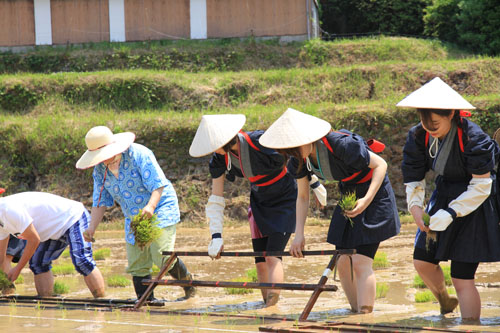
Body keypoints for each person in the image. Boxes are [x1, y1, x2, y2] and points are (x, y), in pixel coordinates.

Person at [260, 108, 401, 313]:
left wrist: (367, 200)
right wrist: (298, 234)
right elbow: (302, 197)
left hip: (373, 192)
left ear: (310, 138)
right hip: (349, 197)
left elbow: (381, 164)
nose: (294, 154)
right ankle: (355, 313)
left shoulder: (342, 145)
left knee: (361, 262)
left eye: (295, 147)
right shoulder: (298, 160)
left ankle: (365, 317)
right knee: (343, 262)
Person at [189, 114, 318, 306]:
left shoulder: (260, 141)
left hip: (285, 198)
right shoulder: (219, 160)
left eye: (212, 144)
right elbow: (216, 198)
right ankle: (266, 304)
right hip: (259, 202)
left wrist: (313, 182)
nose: (211, 150)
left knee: (273, 257)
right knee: (260, 262)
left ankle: (272, 308)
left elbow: (295, 154)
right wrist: (216, 235)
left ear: (223, 140)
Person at [399, 77, 500, 321]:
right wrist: (415, 207)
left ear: (452, 114)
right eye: (424, 122)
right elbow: (414, 177)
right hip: (444, 195)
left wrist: (453, 212)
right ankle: (444, 300)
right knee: (422, 262)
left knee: (462, 277)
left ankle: (470, 325)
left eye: (435, 122)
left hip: (476, 202)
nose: (429, 127)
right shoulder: (418, 136)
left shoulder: (473, 138)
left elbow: (482, 184)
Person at [76, 126, 195, 302]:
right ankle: (146, 301)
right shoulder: (100, 170)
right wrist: (91, 228)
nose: (102, 160)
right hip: (134, 215)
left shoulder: (138, 154)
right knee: (137, 262)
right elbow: (100, 201)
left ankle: (189, 286)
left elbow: (158, 184)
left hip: (160, 206)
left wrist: (151, 207)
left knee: (161, 255)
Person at [0, 191, 105, 298]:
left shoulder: (8, 210)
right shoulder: (1, 222)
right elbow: (1, 256)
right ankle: (46, 301)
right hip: (50, 230)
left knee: (81, 260)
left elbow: (34, 240)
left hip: (73, 217)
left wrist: (18, 269)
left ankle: (101, 301)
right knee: (38, 263)